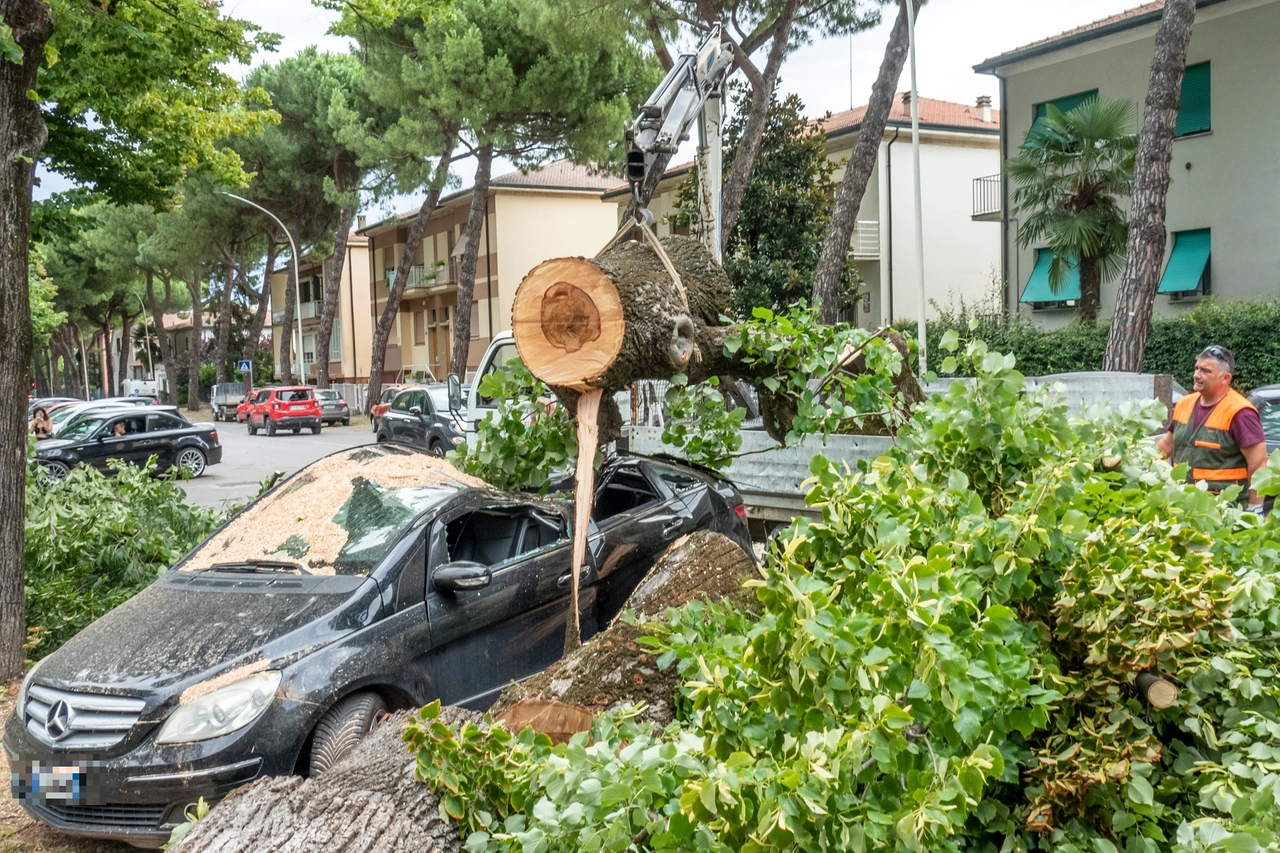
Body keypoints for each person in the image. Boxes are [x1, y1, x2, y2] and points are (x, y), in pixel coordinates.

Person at [1156, 345, 1268, 512]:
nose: (1196, 375)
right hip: (1183, 504)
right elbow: (1166, 446)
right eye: (1196, 368)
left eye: (1205, 371)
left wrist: (1255, 507)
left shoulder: (1240, 413)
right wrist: (1143, 466)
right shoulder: (1184, 403)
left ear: (1225, 378)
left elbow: (1258, 463)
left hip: (1225, 508)